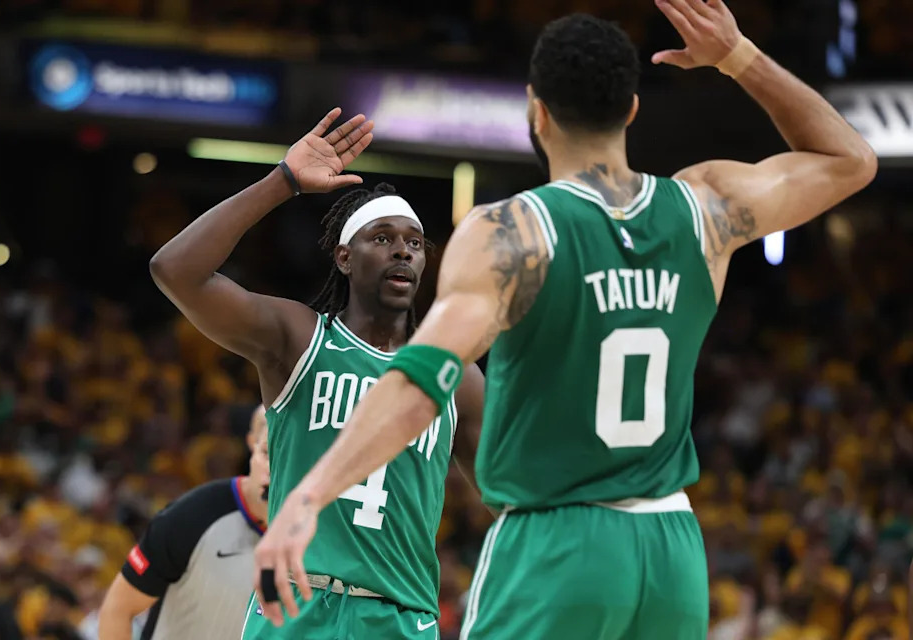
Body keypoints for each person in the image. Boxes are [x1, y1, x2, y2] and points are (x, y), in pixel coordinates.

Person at [256, 2, 877, 639]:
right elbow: (850, 159)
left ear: (537, 111)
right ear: (632, 109)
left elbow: (422, 380)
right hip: (669, 544)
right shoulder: (707, 209)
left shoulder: (512, 233)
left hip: (558, 540)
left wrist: (307, 496)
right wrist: (738, 58)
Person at [148, 110, 484, 639]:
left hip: (401, 616)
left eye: (415, 243)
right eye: (384, 238)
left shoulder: (455, 374)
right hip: (297, 608)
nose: (403, 249)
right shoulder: (299, 338)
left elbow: (508, 495)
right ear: (345, 257)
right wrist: (281, 182)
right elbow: (176, 270)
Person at [97, 405, 269, 640]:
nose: (275, 467)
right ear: (253, 444)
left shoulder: (324, 534)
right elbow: (117, 609)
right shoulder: (195, 514)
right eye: (268, 452)